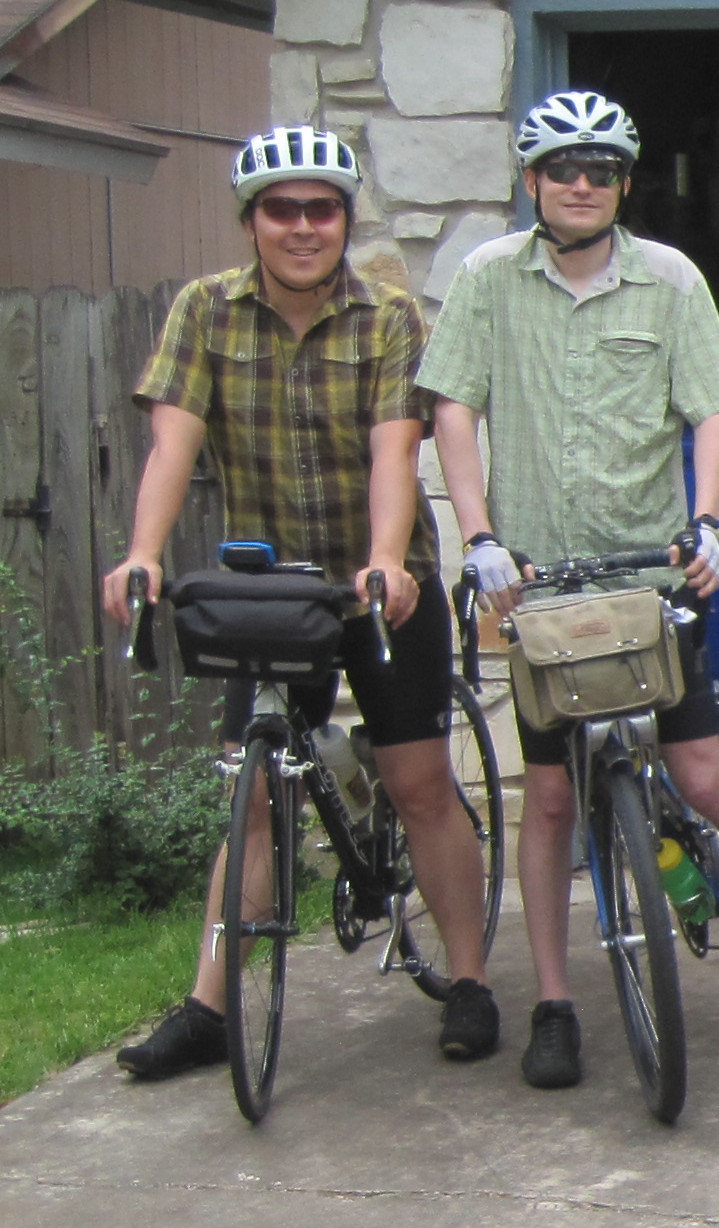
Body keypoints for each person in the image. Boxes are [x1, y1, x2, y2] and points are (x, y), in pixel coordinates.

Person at [423, 91, 719, 1092]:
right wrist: (476, 536)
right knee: (548, 797)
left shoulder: (671, 279)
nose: (581, 183)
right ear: (531, 183)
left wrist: (710, 519)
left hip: (651, 570)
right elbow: (454, 408)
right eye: (561, 168)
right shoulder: (486, 280)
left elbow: (713, 409)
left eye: (599, 168)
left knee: (700, 771)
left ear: (625, 183)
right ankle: (555, 1000)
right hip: (537, 583)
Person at [107, 127, 502, 1078]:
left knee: (416, 785)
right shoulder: (203, 311)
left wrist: (383, 560)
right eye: (280, 209)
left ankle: (471, 980)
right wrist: (142, 556)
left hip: (379, 591)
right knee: (253, 808)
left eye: (321, 209)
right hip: (267, 598)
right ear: (251, 222)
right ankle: (209, 1008)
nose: (302, 227)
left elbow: (389, 449)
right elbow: (173, 445)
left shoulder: (388, 317)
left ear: (343, 221)